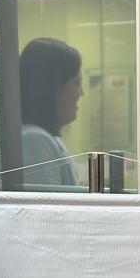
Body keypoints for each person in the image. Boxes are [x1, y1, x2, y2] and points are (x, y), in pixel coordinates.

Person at [20, 37, 83, 187]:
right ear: (52, 87)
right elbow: (43, 202)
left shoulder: (48, 138)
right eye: (76, 83)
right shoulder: (34, 141)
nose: (81, 92)